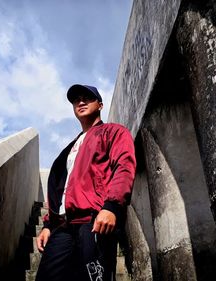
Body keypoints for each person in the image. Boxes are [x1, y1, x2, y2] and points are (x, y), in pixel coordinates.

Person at [35, 84, 136, 281]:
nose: (80, 102)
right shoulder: (70, 149)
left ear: (100, 104)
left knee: (94, 277)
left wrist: (111, 207)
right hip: (63, 226)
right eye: (76, 100)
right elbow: (61, 190)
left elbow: (124, 166)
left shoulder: (113, 132)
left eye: (87, 98)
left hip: (94, 221)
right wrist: (48, 224)